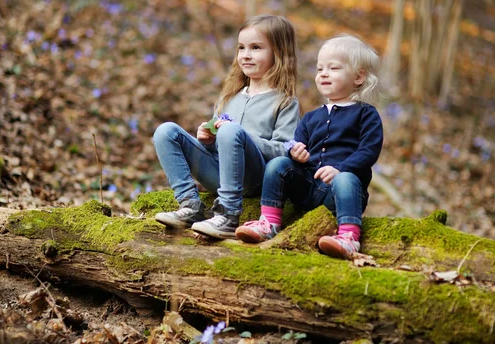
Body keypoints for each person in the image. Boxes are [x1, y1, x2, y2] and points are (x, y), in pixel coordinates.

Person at [235, 33, 383, 260]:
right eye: (320, 68)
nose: (323, 73)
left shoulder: (366, 113)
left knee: (346, 177)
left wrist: (341, 168)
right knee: (278, 163)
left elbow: (369, 150)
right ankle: (268, 223)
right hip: (307, 189)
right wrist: (296, 152)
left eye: (333, 68)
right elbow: (295, 143)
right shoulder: (312, 117)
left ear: (358, 77)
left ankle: (349, 237)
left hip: (340, 193)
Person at [153, 15, 301, 239]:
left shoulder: (285, 102)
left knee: (232, 130)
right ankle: (190, 206)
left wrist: (243, 137)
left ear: (278, 53)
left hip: (254, 179)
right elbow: (221, 145)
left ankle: (229, 215)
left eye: (256, 47)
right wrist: (209, 139)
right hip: (219, 173)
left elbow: (284, 151)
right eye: (241, 48)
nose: (246, 55)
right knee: (166, 131)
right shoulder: (229, 96)